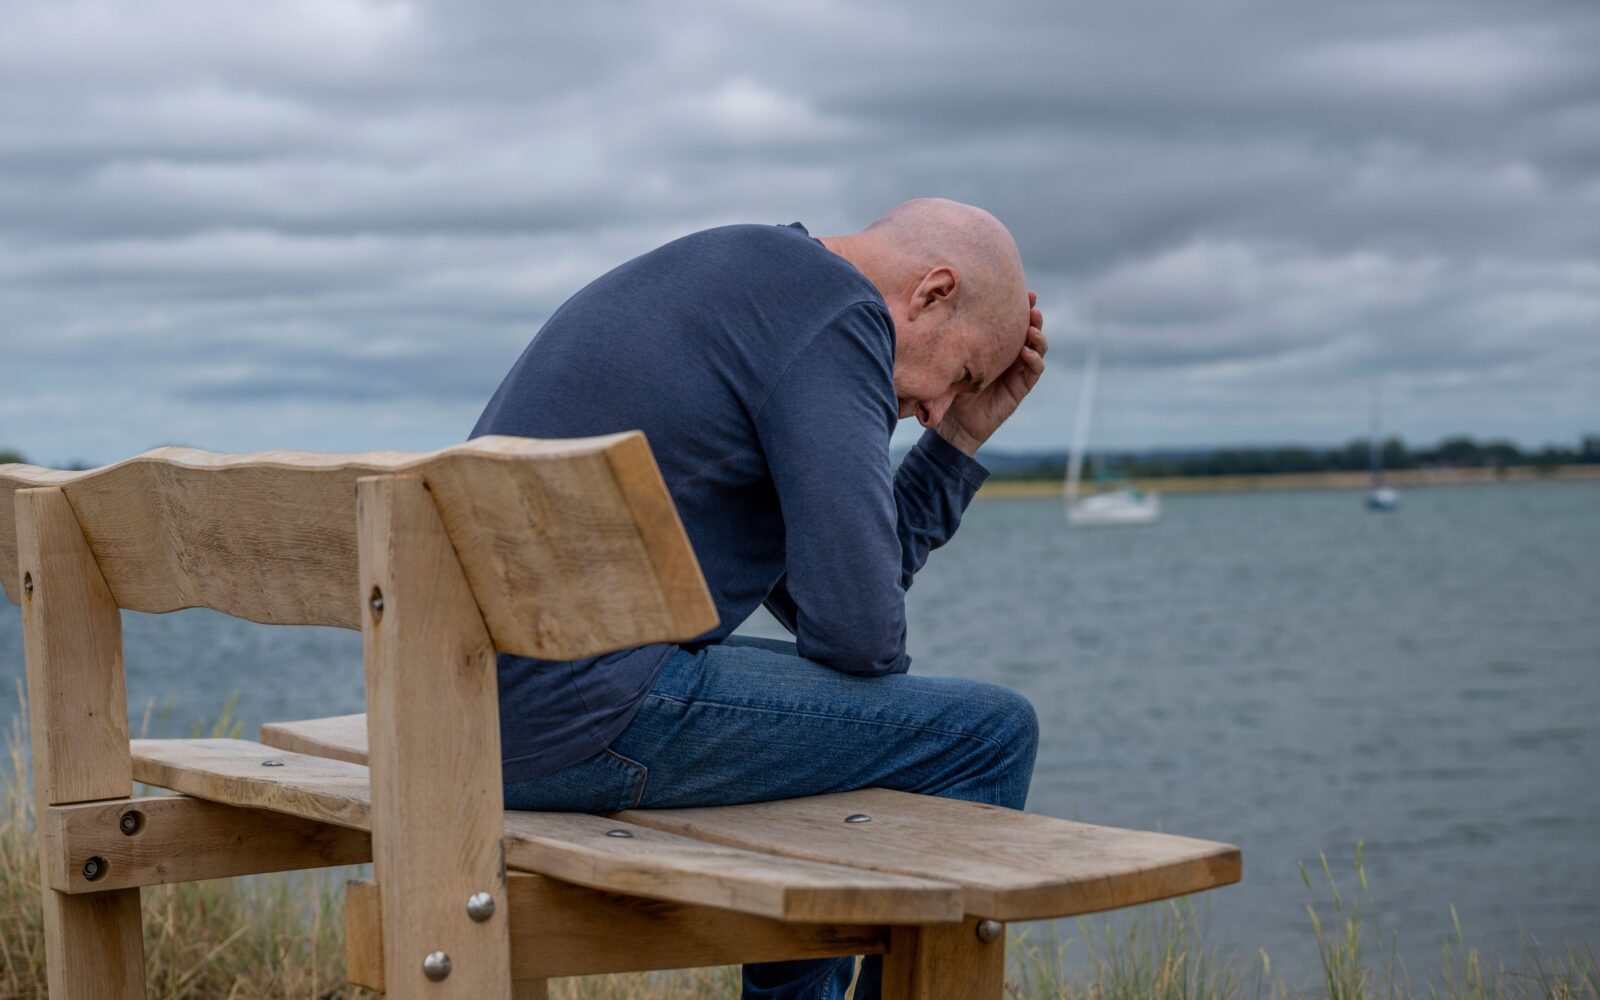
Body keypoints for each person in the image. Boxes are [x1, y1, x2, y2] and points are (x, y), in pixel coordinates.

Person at [471, 197, 1048, 1000]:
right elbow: (858, 634)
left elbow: (843, 604)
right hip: (570, 722)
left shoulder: (751, 285)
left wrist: (957, 445)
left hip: (469, 714)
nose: (936, 410)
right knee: (988, 734)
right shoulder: (836, 314)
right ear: (932, 293)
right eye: (963, 377)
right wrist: (861, 620)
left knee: (845, 733)